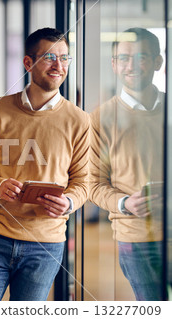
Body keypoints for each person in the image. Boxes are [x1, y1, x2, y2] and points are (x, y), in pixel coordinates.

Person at [0, 27, 89, 301]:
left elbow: (84, 180)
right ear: (28, 63)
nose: (59, 65)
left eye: (65, 58)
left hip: (45, 245)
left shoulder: (79, 121)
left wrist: (69, 202)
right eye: (50, 57)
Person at [89, 28, 165, 300]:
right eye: (123, 58)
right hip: (136, 238)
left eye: (141, 57)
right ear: (114, 64)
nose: (131, 66)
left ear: (158, 62)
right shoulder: (102, 119)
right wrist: (124, 204)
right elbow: (93, 184)